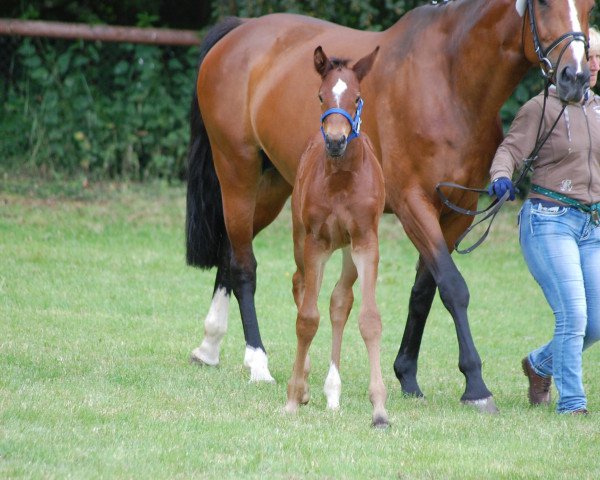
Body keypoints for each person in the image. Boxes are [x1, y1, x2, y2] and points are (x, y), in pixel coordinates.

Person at [488, 27, 600, 415]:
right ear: (571, 61)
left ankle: (539, 365)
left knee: (596, 322)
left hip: (592, 227)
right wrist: (500, 177)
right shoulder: (540, 108)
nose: (594, 64)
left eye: (598, 57)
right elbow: (510, 149)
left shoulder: (599, 109)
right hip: (549, 221)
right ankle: (573, 403)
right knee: (573, 314)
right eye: (589, 56)